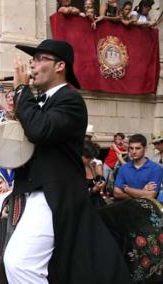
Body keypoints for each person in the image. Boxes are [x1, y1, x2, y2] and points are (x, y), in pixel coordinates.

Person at [7, 39, 131, 283]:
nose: (32, 65)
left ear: (60, 66)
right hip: (29, 193)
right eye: (33, 60)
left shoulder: (70, 100)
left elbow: (39, 130)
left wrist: (22, 91)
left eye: (40, 59)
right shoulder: (39, 102)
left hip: (53, 195)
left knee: (19, 263)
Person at [113, 134, 162, 202]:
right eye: (131, 148)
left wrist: (126, 189)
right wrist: (142, 192)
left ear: (145, 149)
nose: (134, 151)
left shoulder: (156, 168)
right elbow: (116, 193)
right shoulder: (123, 168)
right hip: (126, 208)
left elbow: (150, 195)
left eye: (138, 148)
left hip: (147, 210)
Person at [82, 141, 106, 208]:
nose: (91, 159)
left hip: (97, 203)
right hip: (86, 206)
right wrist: (94, 189)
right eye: (89, 157)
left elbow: (96, 178)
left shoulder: (90, 164)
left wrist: (101, 182)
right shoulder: (76, 169)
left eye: (92, 157)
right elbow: (77, 194)